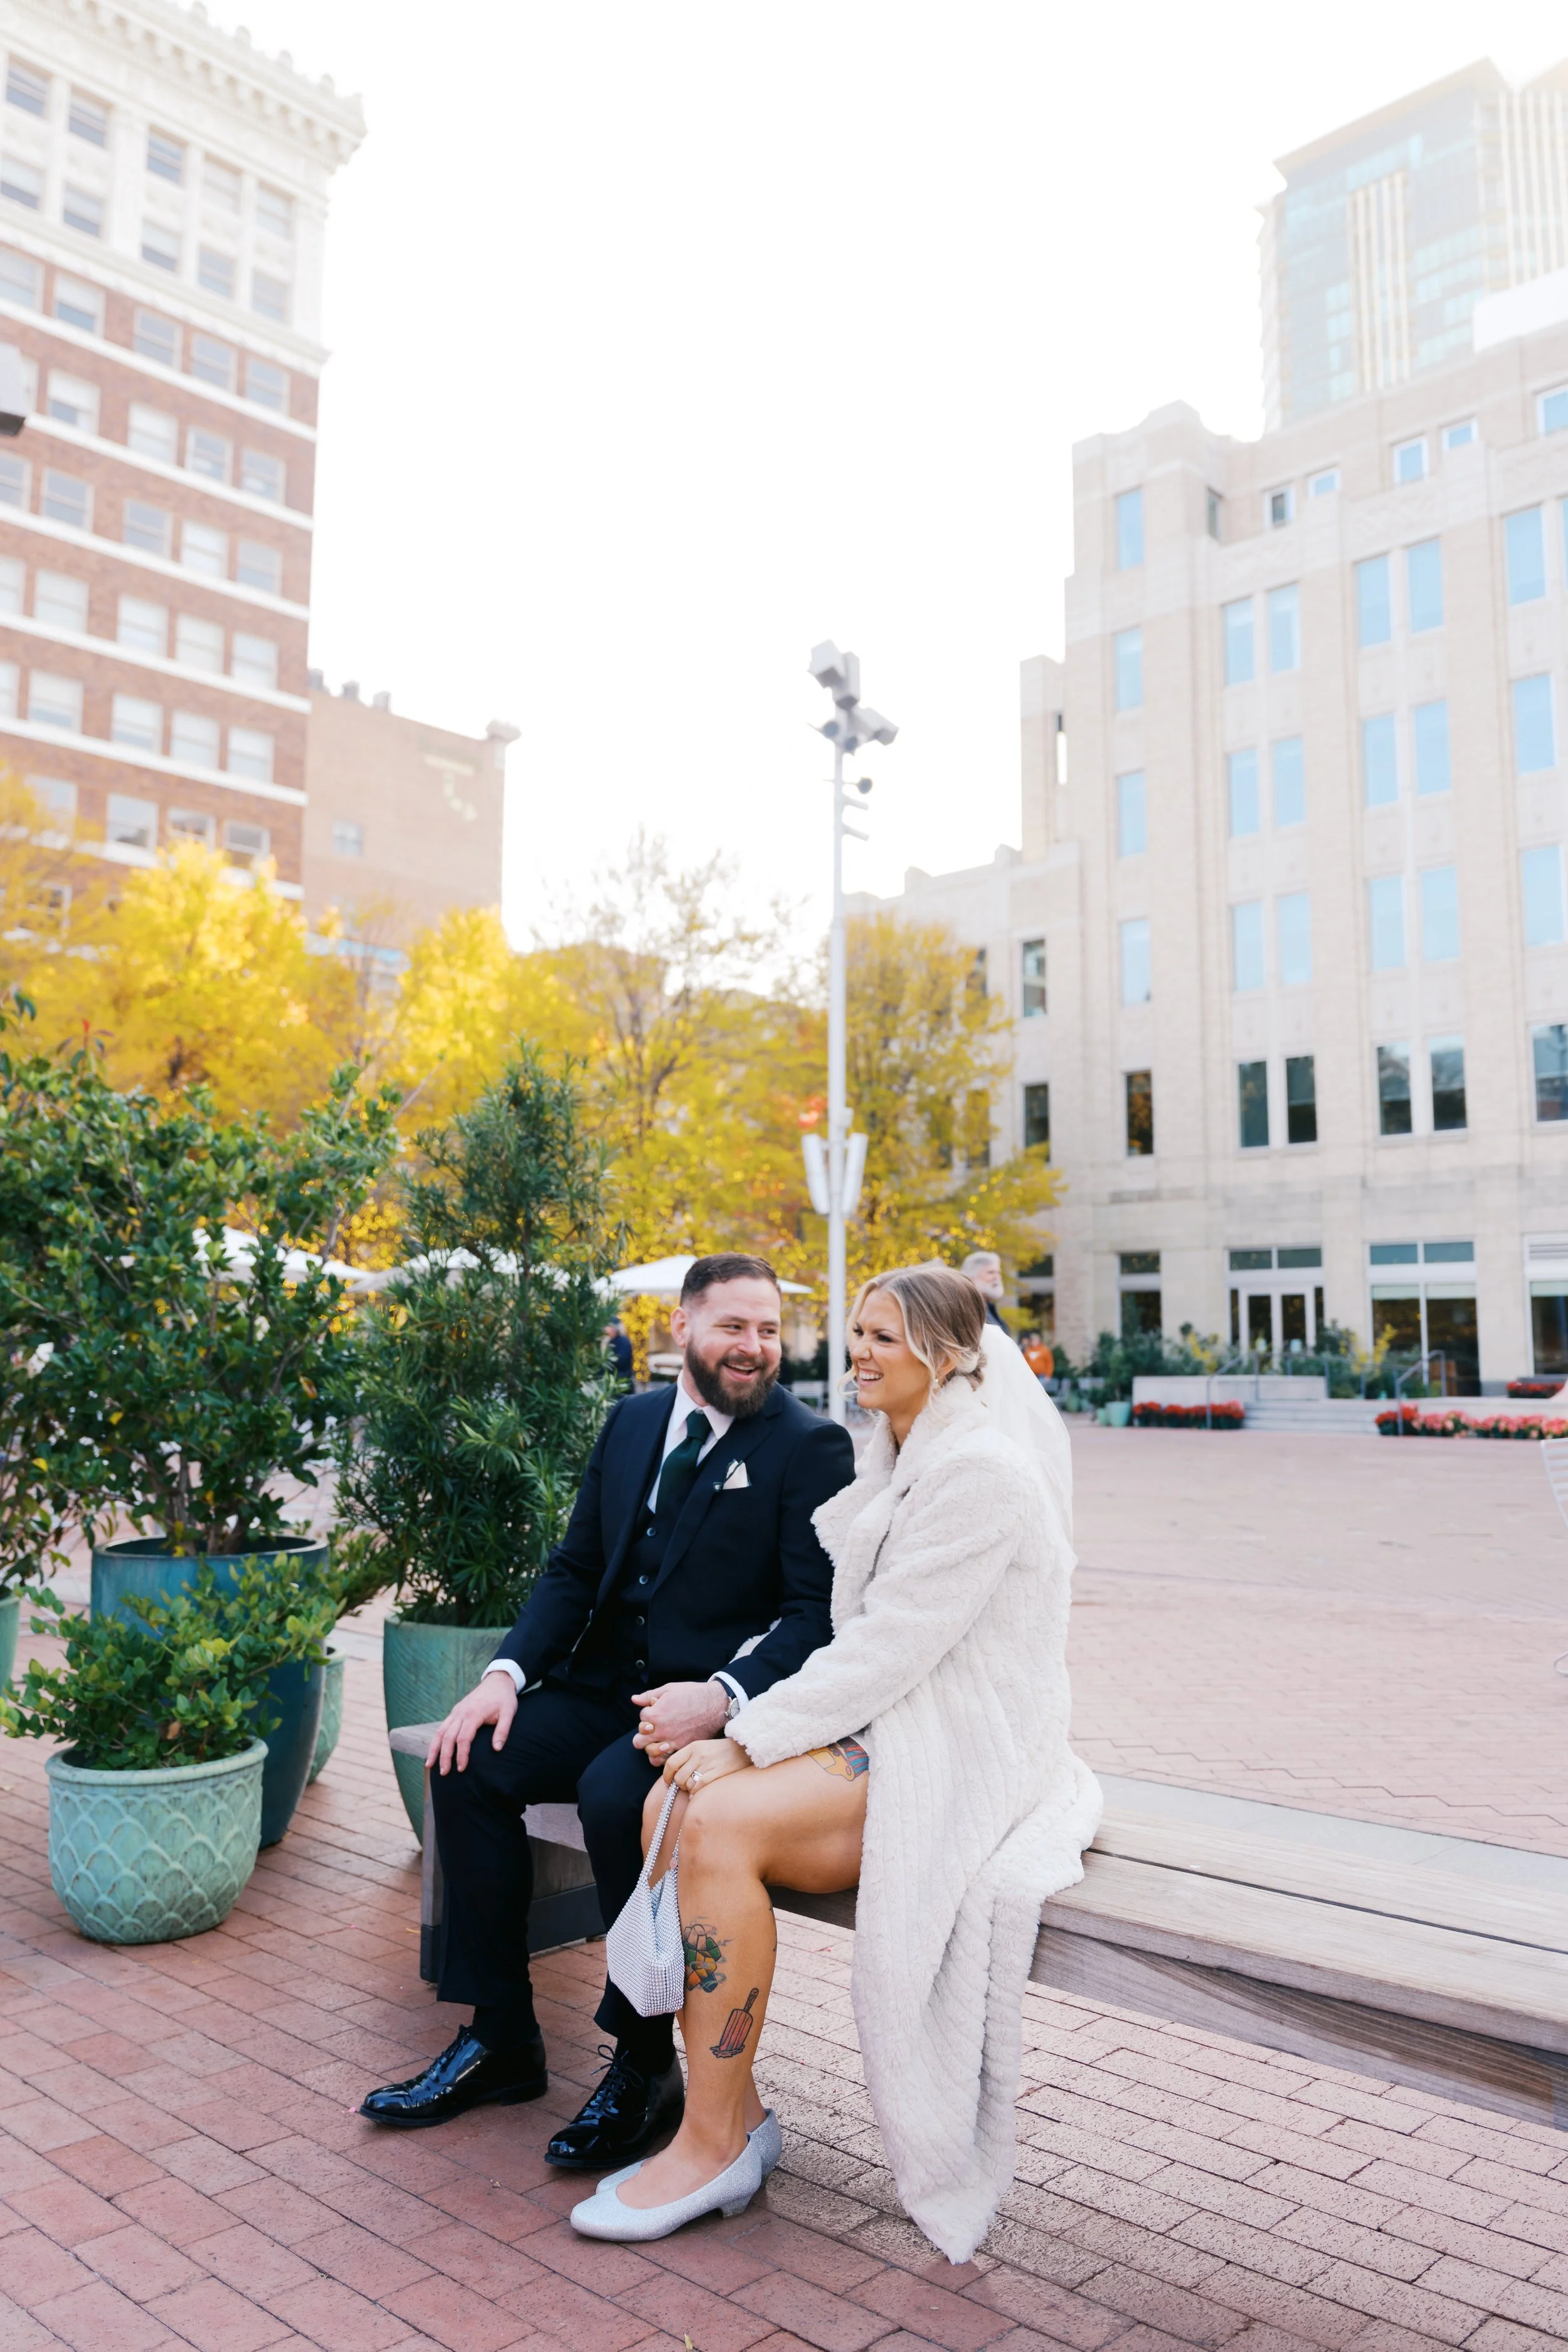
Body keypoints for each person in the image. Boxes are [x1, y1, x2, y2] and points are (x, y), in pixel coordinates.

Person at [568, 1263, 1100, 2261]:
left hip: (958, 1741)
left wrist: (748, 1733)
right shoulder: (895, 1451)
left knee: (717, 1813)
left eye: (883, 1338)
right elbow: (856, 1643)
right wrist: (738, 1738)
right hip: (885, 1717)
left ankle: (712, 2139)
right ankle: (738, 2114)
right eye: (856, 1331)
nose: (857, 1352)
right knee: (669, 1801)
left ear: (947, 1357)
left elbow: (887, 1644)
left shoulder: (980, 1470)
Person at [359, 1253, 856, 2175]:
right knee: (463, 1760)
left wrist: (722, 1698)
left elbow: (813, 1614)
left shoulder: (807, 1443)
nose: (753, 1348)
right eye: (732, 1327)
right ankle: (500, 2037)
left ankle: (643, 2062)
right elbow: (576, 1567)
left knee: (610, 1796)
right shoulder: (632, 1420)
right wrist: (505, 1675)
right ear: (683, 1328)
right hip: (596, 1687)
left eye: (767, 1330)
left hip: (694, 1711)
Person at [960, 1248, 1011, 1332]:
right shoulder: (967, 1310)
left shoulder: (988, 1308)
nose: (997, 1277)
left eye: (998, 1273)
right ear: (972, 1277)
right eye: (991, 1272)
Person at [603, 1316, 635, 1392]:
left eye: (608, 1327)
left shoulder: (623, 1342)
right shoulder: (610, 1341)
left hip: (621, 1383)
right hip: (612, 1383)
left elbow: (622, 1361)